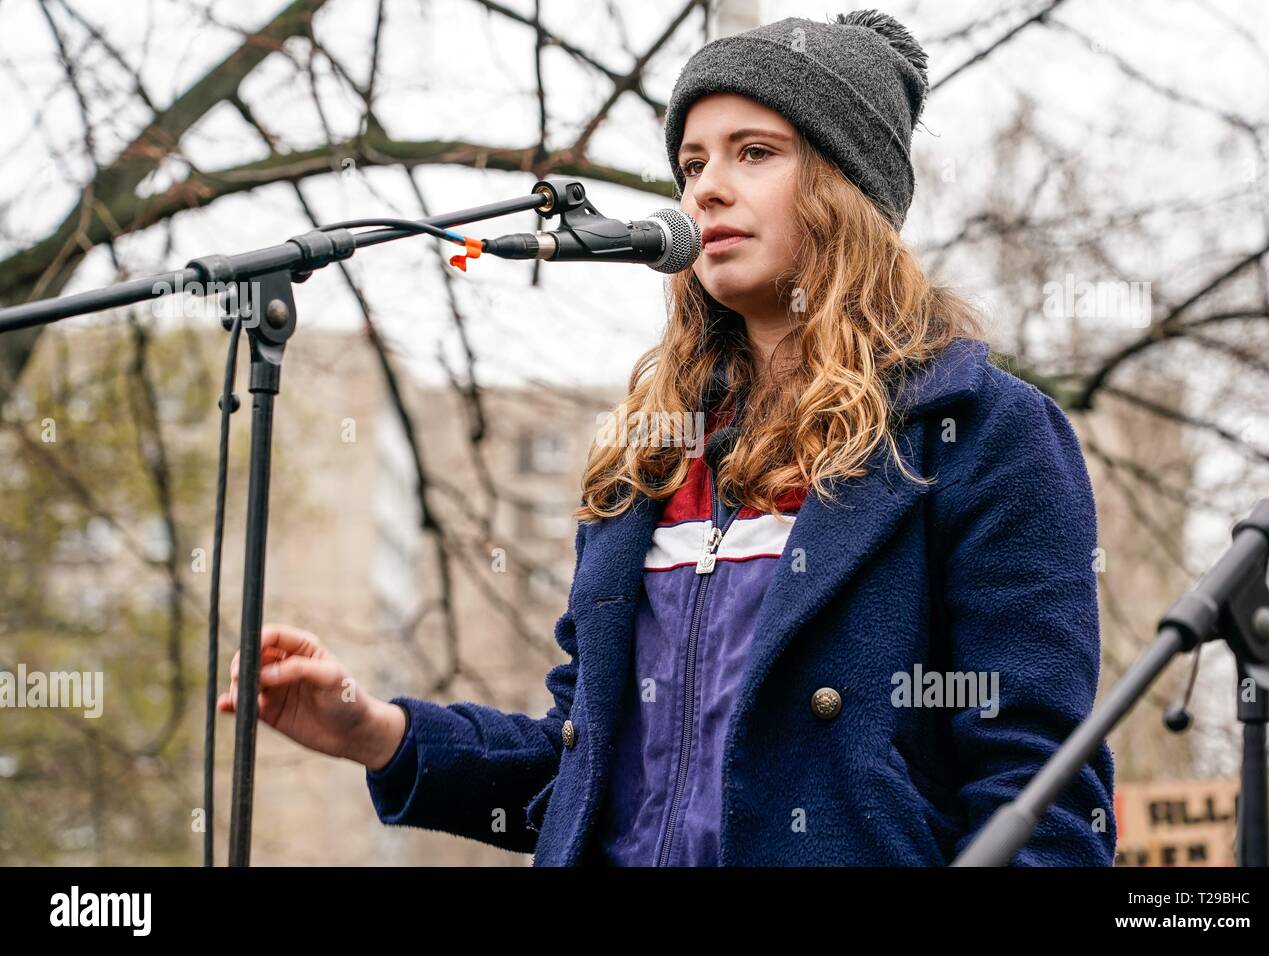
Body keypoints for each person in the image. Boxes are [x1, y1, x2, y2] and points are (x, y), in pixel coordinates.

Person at [220, 9, 1116, 866]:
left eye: (754, 153)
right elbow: (584, 773)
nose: (706, 188)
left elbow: (1040, 788)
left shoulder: (977, 431)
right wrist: (375, 731)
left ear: (848, 188)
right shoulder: (653, 457)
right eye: (691, 164)